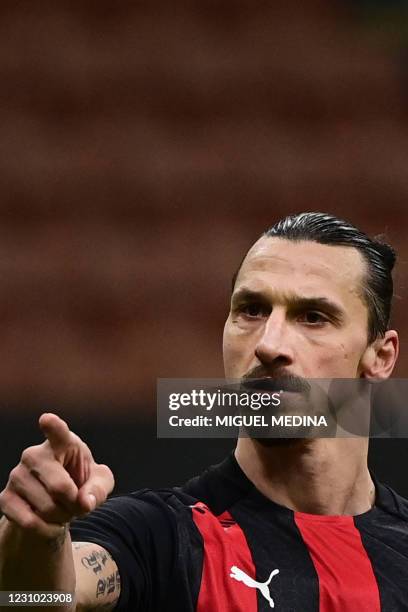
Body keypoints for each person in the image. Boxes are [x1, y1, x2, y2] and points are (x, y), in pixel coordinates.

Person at [0, 211, 406, 612]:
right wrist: (37, 535)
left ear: (380, 357)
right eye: (251, 310)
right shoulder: (161, 537)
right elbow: (34, 600)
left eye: (313, 317)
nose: (268, 344)